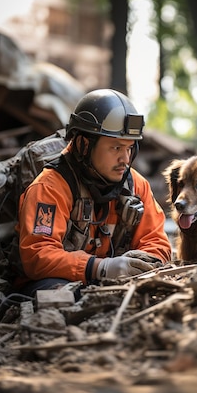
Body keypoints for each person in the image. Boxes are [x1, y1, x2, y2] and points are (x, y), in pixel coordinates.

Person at [15, 88, 172, 297]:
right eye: (115, 148)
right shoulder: (49, 188)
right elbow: (38, 255)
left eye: (130, 148)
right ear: (83, 144)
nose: (125, 159)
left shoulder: (137, 185)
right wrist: (100, 268)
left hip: (112, 282)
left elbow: (157, 242)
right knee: (66, 296)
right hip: (54, 282)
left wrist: (142, 262)